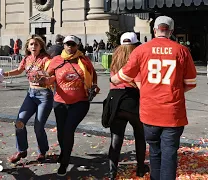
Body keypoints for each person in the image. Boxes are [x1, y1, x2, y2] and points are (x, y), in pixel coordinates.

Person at [110, 16, 197, 180]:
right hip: (173, 112)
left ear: (155, 29)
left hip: (150, 112)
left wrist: (114, 80)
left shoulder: (142, 50)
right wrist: (174, 91)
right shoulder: (181, 50)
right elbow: (191, 83)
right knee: (169, 154)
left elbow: (123, 75)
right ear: (171, 31)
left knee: (154, 152)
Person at [43, 35, 100, 176]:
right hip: (60, 102)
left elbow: (93, 74)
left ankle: (65, 161)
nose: (70, 47)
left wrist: (94, 86)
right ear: (63, 45)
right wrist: (44, 80)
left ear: (77, 46)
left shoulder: (84, 60)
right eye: (68, 44)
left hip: (80, 102)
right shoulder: (56, 60)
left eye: (73, 44)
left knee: (68, 129)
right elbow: (49, 77)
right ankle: (64, 152)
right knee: (61, 132)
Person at [103, 32, 149, 180]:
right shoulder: (135, 58)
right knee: (140, 136)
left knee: (116, 138)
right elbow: (139, 82)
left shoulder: (115, 58)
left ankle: (112, 172)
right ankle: (141, 168)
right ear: (135, 45)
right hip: (132, 98)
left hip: (115, 99)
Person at [3, 34, 53, 163]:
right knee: (19, 123)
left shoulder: (46, 59)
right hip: (31, 94)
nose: (34, 46)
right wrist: (4, 74)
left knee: (38, 126)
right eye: (31, 44)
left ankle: (42, 151)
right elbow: (19, 70)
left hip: (44, 96)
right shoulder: (27, 59)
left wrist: (46, 77)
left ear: (41, 46)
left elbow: (50, 71)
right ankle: (22, 150)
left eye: (36, 44)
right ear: (28, 46)